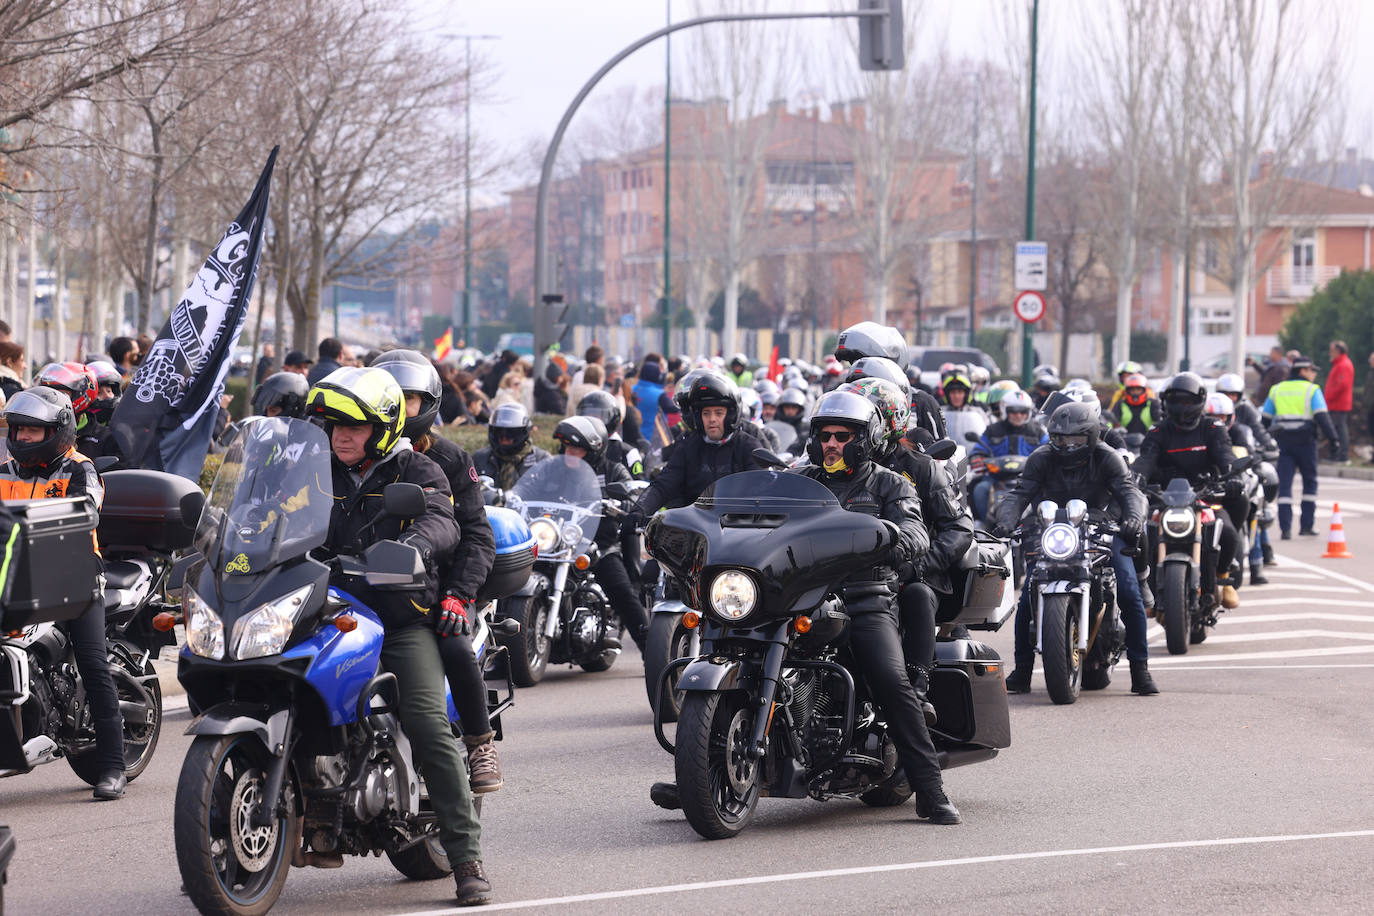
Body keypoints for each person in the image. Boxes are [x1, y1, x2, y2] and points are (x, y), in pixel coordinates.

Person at [305, 367, 491, 906]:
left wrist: (416, 548)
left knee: (428, 724)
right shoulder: (313, 469)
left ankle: (466, 859)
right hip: (322, 612)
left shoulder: (420, 468)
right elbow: (271, 512)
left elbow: (443, 520)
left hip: (396, 618)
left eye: (354, 426)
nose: (340, 434)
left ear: (382, 428)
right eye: (333, 424)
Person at [792, 390, 959, 824]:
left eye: (842, 436)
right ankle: (702, 770)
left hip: (864, 598)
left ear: (864, 439)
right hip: (798, 597)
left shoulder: (890, 483)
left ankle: (930, 790)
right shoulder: (799, 480)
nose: (831, 444)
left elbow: (915, 530)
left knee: (892, 681)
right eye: (825, 435)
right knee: (734, 647)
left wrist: (894, 539)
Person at [374, 350, 502, 794]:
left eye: (407, 400)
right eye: (390, 397)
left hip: (437, 587)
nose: (398, 408)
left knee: (454, 642)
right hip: (371, 584)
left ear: (426, 403)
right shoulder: (352, 449)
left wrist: (458, 594)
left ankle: (479, 743)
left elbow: (476, 535)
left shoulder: (448, 457)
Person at [0, 387, 126, 798]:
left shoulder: (80, 469)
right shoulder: (4, 471)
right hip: (16, 576)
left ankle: (112, 767)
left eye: (33, 432)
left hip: (74, 575)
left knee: (92, 662)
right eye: (18, 430)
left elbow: (87, 509)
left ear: (58, 431)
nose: (22, 439)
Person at [993, 401, 1157, 696]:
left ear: (1092, 436)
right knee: (1028, 597)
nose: (1068, 446)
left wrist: (1133, 518)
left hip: (1101, 527)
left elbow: (1129, 491)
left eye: (1076, 440)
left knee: (1130, 591)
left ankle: (1140, 670)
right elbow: (1019, 494)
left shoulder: (1107, 458)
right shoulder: (1040, 458)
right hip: (1053, 531)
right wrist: (1005, 520)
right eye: (1060, 439)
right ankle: (1022, 671)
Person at [845, 377, 974, 724]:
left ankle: (917, 688)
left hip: (913, 572)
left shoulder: (922, 468)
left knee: (915, 594)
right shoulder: (839, 468)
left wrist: (919, 566)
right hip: (849, 573)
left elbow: (959, 528)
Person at [1133, 373, 1244, 610]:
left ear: (1199, 401)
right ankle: (1146, 584)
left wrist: (1233, 476)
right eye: (1176, 400)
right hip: (1164, 498)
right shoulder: (1157, 431)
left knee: (1229, 535)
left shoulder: (1212, 428)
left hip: (1204, 496)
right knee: (1140, 535)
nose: (1182, 406)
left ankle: (1223, 578)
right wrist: (1135, 478)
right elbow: (1146, 459)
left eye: (1187, 401)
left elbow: (1226, 456)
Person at [553, 416, 647, 652]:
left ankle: (651, 651)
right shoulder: (553, 469)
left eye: (578, 449)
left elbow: (632, 494)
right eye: (568, 447)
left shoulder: (613, 469)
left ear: (593, 451)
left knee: (622, 592)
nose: (571, 453)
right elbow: (528, 490)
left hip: (598, 545)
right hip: (557, 544)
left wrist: (626, 504)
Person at [625, 371, 761, 527]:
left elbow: (762, 488)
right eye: (706, 413)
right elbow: (663, 485)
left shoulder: (748, 446)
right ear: (698, 416)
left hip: (739, 531)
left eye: (719, 413)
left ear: (731, 414)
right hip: (696, 531)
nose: (712, 419)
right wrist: (639, 510)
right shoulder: (688, 447)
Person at [1262, 357, 1337, 539]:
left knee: (1285, 485)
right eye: (1312, 370)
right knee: (1309, 483)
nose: (1314, 374)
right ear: (1303, 371)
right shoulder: (1312, 390)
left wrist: (1264, 442)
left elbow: (1264, 420)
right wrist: (1334, 440)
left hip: (1284, 442)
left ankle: (1285, 529)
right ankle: (1306, 526)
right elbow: (1322, 418)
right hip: (1306, 442)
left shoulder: (1277, 389)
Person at [969, 389, 1046, 521]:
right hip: (996, 478)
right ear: (1005, 410)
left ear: (1029, 412)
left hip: (1028, 480)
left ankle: (1038, 523)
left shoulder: (1038, 431)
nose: (1018, 415)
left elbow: (1047, 450)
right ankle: (982, 524)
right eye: (1013, 411)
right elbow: (979, 448)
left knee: (1044, 491)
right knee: (980, 489)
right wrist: (977, 457)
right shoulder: (992, 430)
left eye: (1023, 412)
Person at [36, 362, 121, 462]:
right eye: (48, 394)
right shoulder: (34, 431)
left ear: (80, 393)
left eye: (61, 393)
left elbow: (118, 472)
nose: (54, 399)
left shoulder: (107, 438)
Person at [472, 403, 549, 490]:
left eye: (511, 433)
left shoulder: (542, 460)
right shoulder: (480, 458)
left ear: (524, 431)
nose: (504, 438)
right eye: (498, 432)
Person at [577, 389, 644, 479]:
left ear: (612, 418)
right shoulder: (575, 446)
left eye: (597, 416)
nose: (592, 420)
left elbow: (638, 486)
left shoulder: (627, 452)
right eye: (588, 415)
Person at [1324, 341, 1354, 464]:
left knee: (1340, 430)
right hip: (1335, 403)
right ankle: (1337, 455)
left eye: (1332, 350)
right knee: (1337, 429)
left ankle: (1342, 456)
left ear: (1338, 351)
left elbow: (1342, 385)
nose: (1330, 353)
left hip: (1338, 404)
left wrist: (1329, 396)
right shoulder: (1339, 364)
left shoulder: (1343, 365)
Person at [631, 358, 666, 444]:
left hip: (632, 437)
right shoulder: (660, 394)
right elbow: (672, 408)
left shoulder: (631, 389)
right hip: (652, 438)